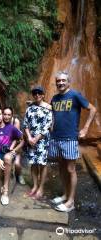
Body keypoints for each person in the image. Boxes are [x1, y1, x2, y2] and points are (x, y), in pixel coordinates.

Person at [49, 71, 96, 212]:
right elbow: (53, 115)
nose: (61, 83)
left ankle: (71, 202)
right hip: (56, 138)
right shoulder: (55, 98)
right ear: (56, 83)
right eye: (58, 81)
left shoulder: (75, 95)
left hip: (69, 138)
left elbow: (92, 109)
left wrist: (86, 128)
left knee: (70, 169)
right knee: (62, 168)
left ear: (68, 82)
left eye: (63, 80)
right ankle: (65, 195)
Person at [23, 86, 53, 200]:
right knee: (33, 163)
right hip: (30, 140)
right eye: (35, 93)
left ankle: (41, 188)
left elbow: (47, 125)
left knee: (42, 164)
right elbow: (25, 124)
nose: (37, 95)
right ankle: (35, 186)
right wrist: (30, 137)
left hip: (42, 141)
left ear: (43, 95)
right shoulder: (29, 108)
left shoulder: (48, 108)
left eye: (39, 93)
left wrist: (36, 138)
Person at [3, 107, 26, 185]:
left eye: (9, 115)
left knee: (17, 164)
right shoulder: (0, 120)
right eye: (5, 114)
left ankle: (19, 175)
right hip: (5, 146)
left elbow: (17, 137)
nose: (6, 117)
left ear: (12, 115)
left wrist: (13, 149)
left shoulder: (15, 121)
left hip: (16, 145)